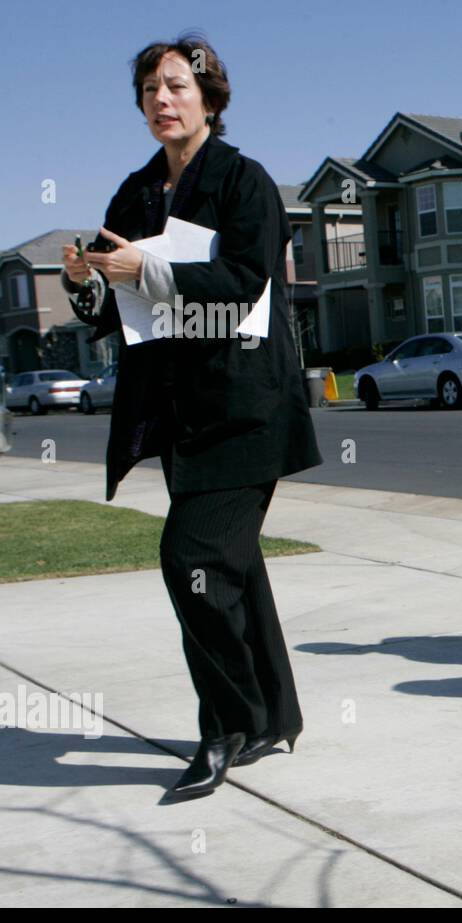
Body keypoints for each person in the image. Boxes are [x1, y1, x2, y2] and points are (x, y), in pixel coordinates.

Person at [61, 35, 324, 801]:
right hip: (180, 418)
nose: (161, 100)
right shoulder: (137, 192)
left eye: (176, 85)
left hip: (248, 411)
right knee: (232, 569)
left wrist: (145, 267)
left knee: (193, 563)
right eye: (149, 90)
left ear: (210, 97)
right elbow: (110, 309)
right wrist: (88, 282)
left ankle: (227, 725)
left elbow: (242, 283)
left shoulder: (245, 182)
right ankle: (275, 714)